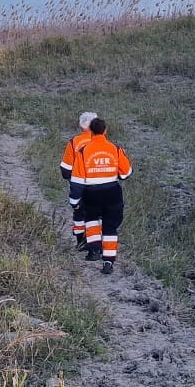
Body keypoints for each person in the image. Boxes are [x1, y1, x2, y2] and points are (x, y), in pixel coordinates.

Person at [70, 117, 133, 274]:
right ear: (105, 130)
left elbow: (77, 180)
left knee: (91, 221)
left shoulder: (83, 151)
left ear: (90, 131)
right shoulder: (115, 148)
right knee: (110, 227)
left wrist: (74, 201)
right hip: (113, 192)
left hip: (91, 193)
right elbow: (126, 173)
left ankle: (94, 251)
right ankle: (108, 262)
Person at [61, 111, 99, 249]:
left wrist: (72, 179)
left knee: (79, 211)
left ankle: (80, 240)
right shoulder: (104, 143)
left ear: (80, 125)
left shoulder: (74, 142)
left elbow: (66, 169)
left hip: (79, 185)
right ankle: (95, 243)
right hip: (100, 185)